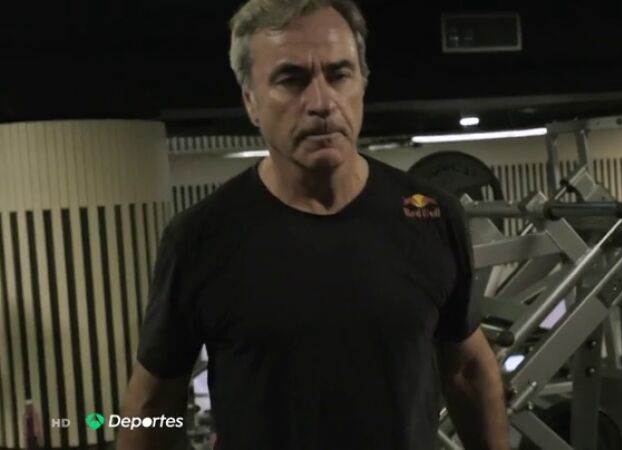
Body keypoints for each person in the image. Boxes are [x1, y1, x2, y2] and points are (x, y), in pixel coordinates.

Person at [117, 1, 510, 449]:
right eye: (292, 80)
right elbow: (152, 404)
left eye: (339, 75)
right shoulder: (200, 237)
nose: (322, 102)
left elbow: (468, 371)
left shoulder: (432, 216)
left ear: (362, 83)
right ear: (251, 101)